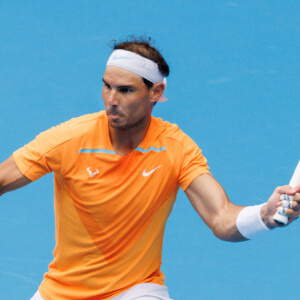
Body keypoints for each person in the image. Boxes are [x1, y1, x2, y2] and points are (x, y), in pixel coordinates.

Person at [0, 36, 299, 300]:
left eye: (126, 90)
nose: (111, 101)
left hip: (135, 290)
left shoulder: (175, 147)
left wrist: (264, 215)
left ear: (155, 92)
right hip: (61, 292)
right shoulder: (69, 140)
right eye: (107, 86)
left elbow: (221, 217)